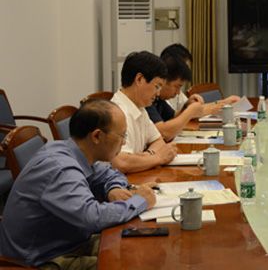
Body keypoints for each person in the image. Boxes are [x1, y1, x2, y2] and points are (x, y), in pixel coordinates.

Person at [0, 99, 156, 268]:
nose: (124, 142)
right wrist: (140, 201)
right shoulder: (60, 168)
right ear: (97, 136)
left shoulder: (77, 152)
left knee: (138, 248)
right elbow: (93, 217)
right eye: (122, 136)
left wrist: (114, 189)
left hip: (70, 241)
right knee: (130, 264)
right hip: (43, 259)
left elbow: (110, 174)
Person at [111, 51, 178, 173]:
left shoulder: (139, 108)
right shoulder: (118, 113)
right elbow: (121, 162)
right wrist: (158, 158)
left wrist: (147, 155)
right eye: (157, 86)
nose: (158, 94)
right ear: (139, 79)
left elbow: (158, 141)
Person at [146, 55, 240, 141]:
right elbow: (164, 133)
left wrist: (186, 107)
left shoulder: (159, 99)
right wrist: (189, 112)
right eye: (177, 86)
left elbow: (173, 118)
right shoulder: (147, 100)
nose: (178, 92)